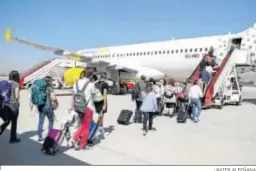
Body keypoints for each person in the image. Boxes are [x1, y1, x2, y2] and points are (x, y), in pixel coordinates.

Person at [70, 68, 96, 150]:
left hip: (78, 106)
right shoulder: (91, 84)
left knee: (82, 124)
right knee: (86, 127)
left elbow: (74, 94)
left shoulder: (76, 82)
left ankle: (74, 139)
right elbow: (94, 95)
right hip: (88, 108)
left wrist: (71, 106)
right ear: (91, 75)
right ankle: (83, 145)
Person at [0, 71, 21, 143]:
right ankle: (13, 138)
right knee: (14, 122)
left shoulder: (5, 82)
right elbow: (17, 96)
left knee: (7, 120)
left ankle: (1, 129)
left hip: (4, 105)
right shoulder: (16, 84)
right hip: (13, 105)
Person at [37, 76, 58, 141]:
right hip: (48, 107)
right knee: (51, 121)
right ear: (49, 81)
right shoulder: (49, 88)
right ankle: (49, 137)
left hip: (40, 106)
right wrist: (56, 102)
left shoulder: (39, 88)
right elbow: (53, 97)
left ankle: (40, 136)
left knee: (41, 122)